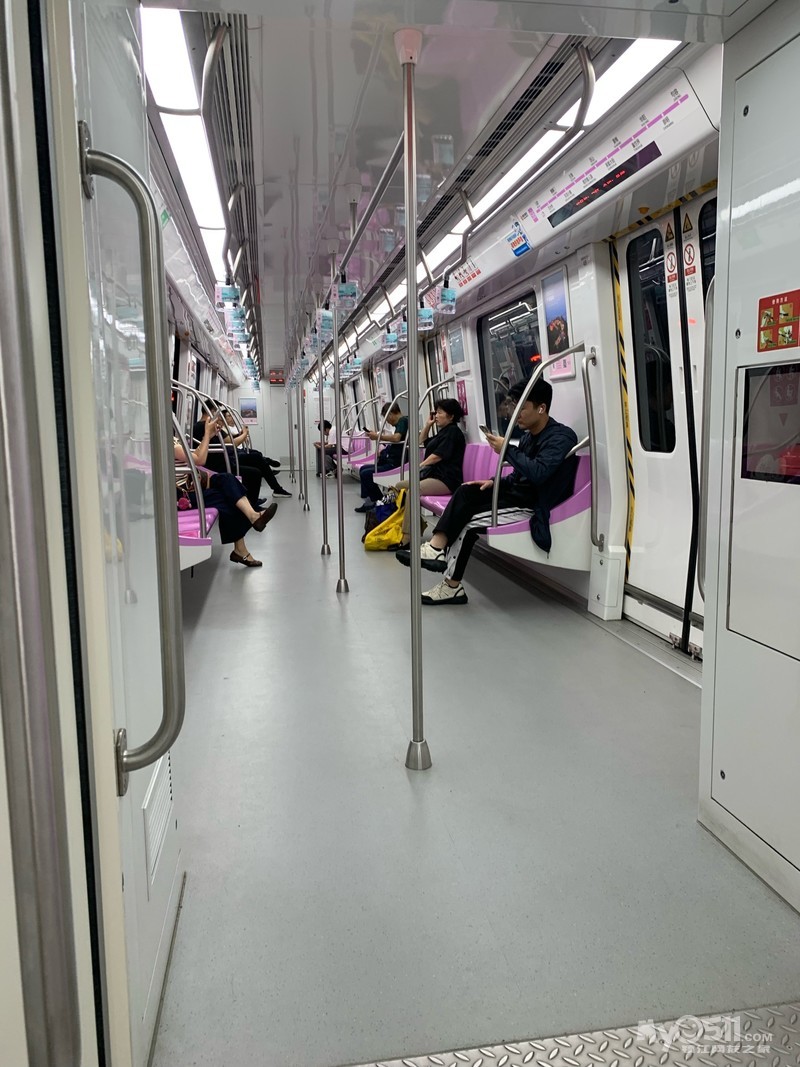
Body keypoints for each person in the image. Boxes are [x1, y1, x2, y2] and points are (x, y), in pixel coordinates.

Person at [396, 378, 578, 605]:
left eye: (521, 408)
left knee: (469, 522)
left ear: (541, 408)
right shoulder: (528, 437)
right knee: (466, 491)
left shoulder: (561, 437)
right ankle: (436, 547)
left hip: (532, 504)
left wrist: (507, 450)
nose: (515, 414)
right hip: (516, 495)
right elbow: (519, 476)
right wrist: (493, 482)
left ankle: (451, 586)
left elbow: (539, 473)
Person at [175, 417, 277, 568]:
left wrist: (208, 436)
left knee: (227, 478)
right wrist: (207, 435)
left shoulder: (173, 441)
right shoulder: (169, 444)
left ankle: (252, 516)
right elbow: (199, 459)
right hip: (184, 495)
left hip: (194, 484)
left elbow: (195, 456)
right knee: (229, 499)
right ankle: (243, 543)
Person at [393, 397, 466, 547]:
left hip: (446, 479)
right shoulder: (442, 432)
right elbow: (421, 440)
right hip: (434, 476)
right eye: (436, 412)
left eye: (440, 413)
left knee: (413, 490)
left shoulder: (453, 432)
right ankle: (411, 524)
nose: (436, 415)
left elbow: (437, 456)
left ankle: (408, 536)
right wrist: (428, 424)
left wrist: (419, 466)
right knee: (399, 486)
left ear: (451, 416)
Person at [221, 411, 292, 497]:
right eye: (228, 416)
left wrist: (241, 434)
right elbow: (232, 442)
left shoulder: (222, 430)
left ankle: (269, 468)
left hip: (234, 453)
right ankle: (269, 466)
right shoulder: (219, 430)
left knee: (258, 456)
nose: (231, 417)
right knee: (257, 458)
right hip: (232, 457)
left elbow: (231, 438)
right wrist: (244, 434)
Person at [354, 402, 409, 513]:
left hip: (395, 464)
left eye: (386, 418)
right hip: (392, 459)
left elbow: (396, 438)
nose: (387, 421)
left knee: (366, 474)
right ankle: (370, 501)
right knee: (363, 469)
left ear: (391, 414)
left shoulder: (403, 421)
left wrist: (378, 436)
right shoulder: (401, 423)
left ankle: (379, 502)